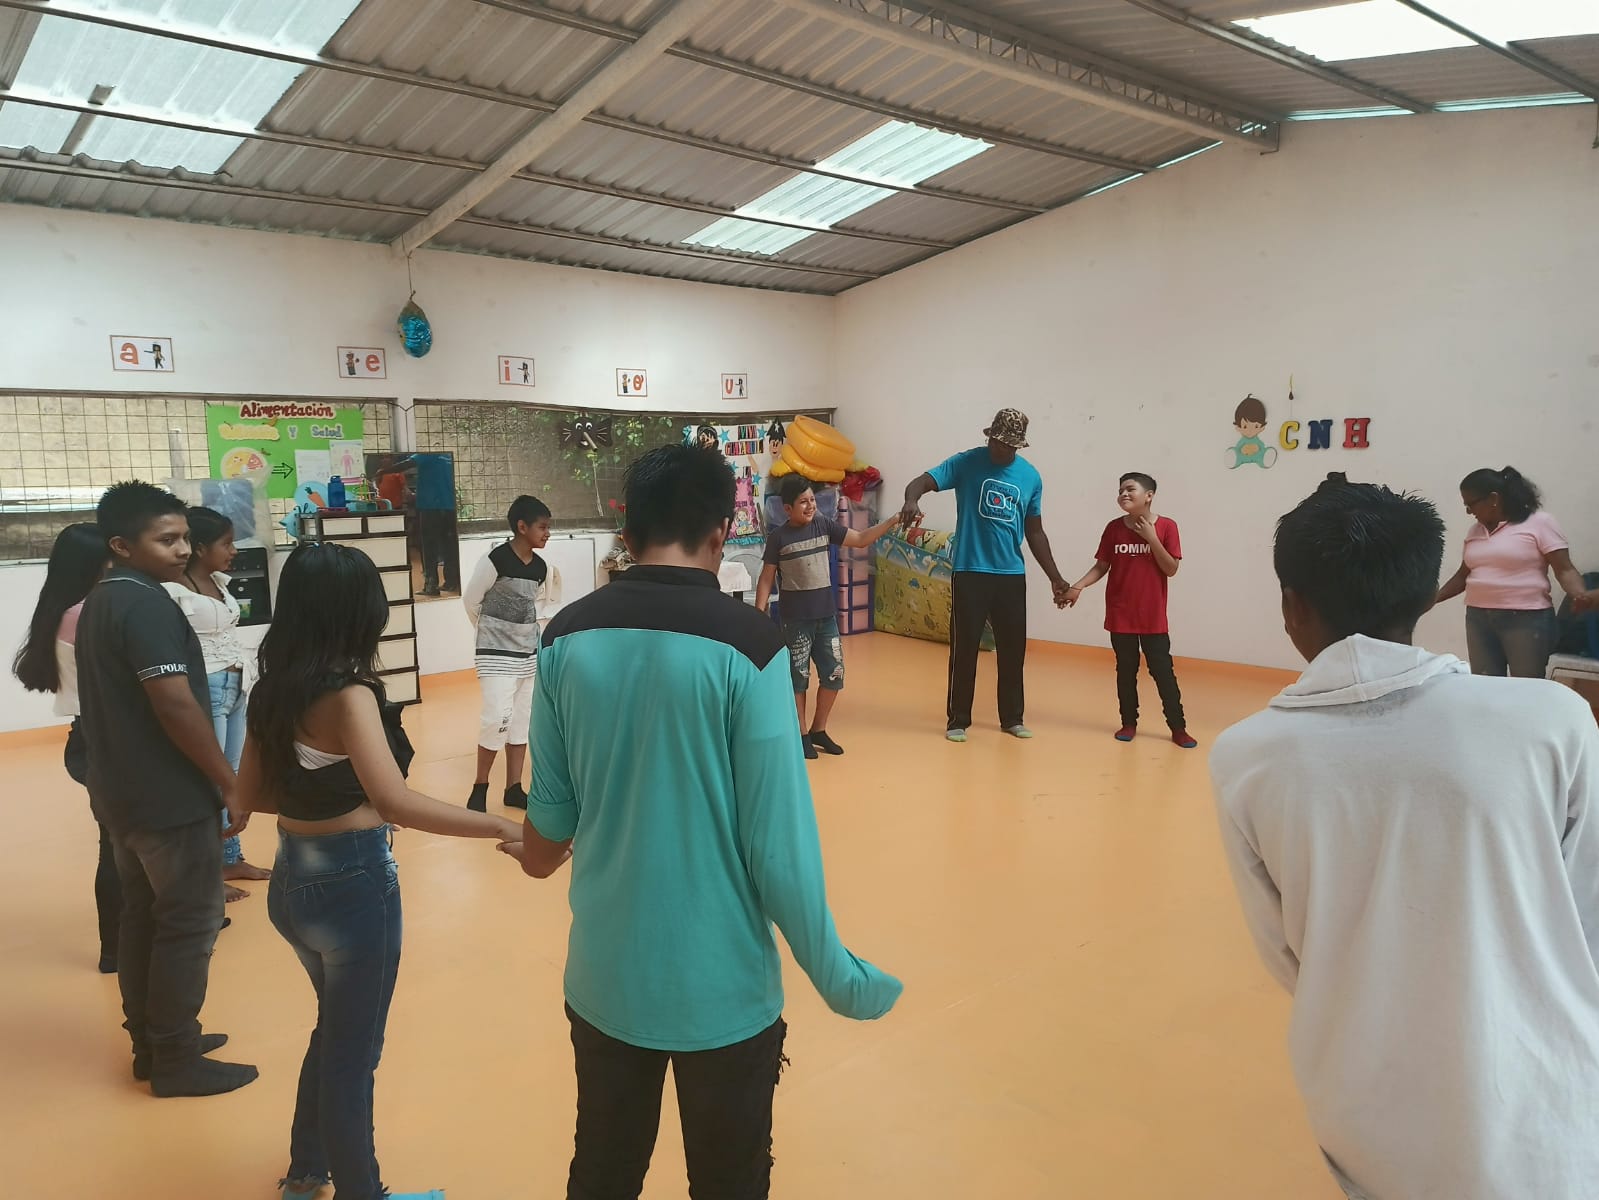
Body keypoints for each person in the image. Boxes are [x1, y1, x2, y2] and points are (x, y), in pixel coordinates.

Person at [505, 443, 902, 1200]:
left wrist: (526, 844)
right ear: (722, 533)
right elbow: (779, 851)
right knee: (729, 1180)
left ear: (627, 533)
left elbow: (545, 842)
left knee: (603, 1170)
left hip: (606, 979)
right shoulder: (751, 647)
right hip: (722, 994)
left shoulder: (563, 640)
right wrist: (840, 978)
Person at [1210, 472, 1599, 1200]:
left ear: (1291, 606)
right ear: (1425, 596)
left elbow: (1286, 954)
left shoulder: (1244, 756)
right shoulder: (1554, 719)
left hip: (1362, 1107)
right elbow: (1585, 914)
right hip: (1550, 1110)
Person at [239, 541, 521, 1200]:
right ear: (358, 614)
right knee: (354, 1053)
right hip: (353, 888)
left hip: (292, 881)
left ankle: (307, 1171)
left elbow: (246, 797)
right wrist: (501, 825)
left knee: (335, 1032)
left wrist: (333, 799)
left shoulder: (270, 690)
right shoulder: (348, 695)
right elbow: (396, 802)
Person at [77, 481, 257, 1096]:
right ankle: (176, 1059)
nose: (183, 549)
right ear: (122, 545)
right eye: (167, 539)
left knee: (144, 916)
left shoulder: (105, 598)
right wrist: (229, 782)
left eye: (184, 537)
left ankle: (153, 1044)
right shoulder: (147, 604)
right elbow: (176, 704)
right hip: (166, 796)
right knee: (190, 920)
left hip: (121, 792)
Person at [899, 408, 1069, 741]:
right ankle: (958, 720)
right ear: (989, 436)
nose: (1000, 448)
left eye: (1007, 445)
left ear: (1017, 445)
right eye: (996, 441)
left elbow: (1035, 532)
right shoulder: (966, 463)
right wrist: (910, 499)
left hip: (1011, 574)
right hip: (970, 571)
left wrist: (1055, 577)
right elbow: (921, 482)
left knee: (1012, 651)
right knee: (965, 649)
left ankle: (1012, 718)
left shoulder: (1030, 477)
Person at [12, 522, 119, 971]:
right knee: (121, 848)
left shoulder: (60, 610)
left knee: (117, 844)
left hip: (87, 736)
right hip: (108, 739)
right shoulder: (89, 612)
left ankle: (120, 947)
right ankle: (122, 947)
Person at [163, 505, 271, 898]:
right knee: (208, 779)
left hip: (236, 685)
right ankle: (206, 872)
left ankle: (230, 857)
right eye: (226, 544)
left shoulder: (217, 582)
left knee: (233, 776)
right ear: (201, 547)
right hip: (205, 688)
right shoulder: (173, 590)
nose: (234, 551)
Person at [756, 475, 899, 759]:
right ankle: (801, 734)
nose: (811, 506)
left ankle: (819, 729)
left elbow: (860, 539)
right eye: (803, 502)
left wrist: (893, 521)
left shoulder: (823, 525)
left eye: (812, 500)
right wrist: (759, 614)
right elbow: (766, 578)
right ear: (787, 509)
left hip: (826, 619)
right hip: (796, 622)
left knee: (834, 674)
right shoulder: (778, 538)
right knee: (799, 678)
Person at [1063, 473, 1198, 748]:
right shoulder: (1114, 528)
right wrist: (1078, 586)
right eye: (1120, 490)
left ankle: (1178, 728)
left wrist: (1151, 538)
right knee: (1125, 671)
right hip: (1120, 614)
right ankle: (1128, 723)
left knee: (1163, 673)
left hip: (1152, 617)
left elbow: (1171, 569)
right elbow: (1102, 566)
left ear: (1149, 495)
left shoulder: (1167, 526)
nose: (1123, 494)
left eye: (1130, 489)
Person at [1434, 465, 1595, 678]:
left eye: (1471, 504)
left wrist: (1580, 595)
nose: (1468, 511)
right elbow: (1463, 576)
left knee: (1527, 685)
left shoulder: (1539, 523)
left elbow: (1565, 569)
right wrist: (1432, 599)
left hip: (1526, 619)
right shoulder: (1475, 531)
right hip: (1478, 619)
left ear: (1493, 499)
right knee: (1485, 684)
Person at [461, 494, 561, 811]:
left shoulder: (541, 568)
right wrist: (491, 632)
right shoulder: (495, 560)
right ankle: (480, 787)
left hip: (527, 655)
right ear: (521, 527)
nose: (547, 533)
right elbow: (471, 601)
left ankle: (513, 788)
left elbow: (536, 606)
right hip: (495, 654)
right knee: (496, 718)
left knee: (521, 720)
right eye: (542, 527)